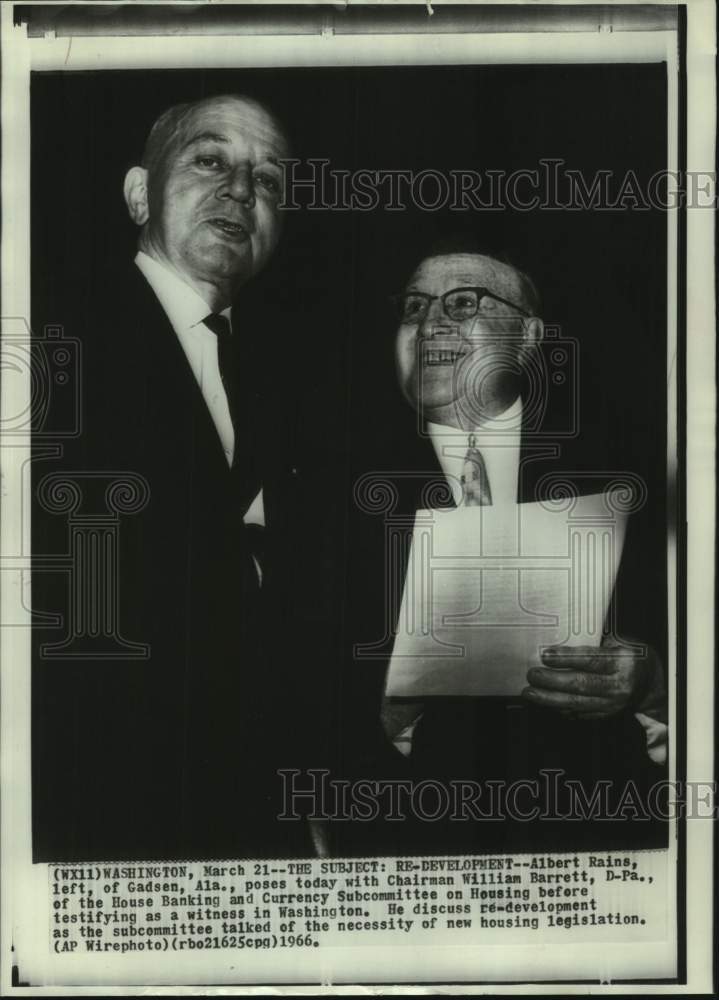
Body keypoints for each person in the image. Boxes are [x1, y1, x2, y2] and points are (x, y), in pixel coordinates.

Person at [32, 94, 311, 860]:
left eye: (270, 180)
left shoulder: (283, 386)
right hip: (89, 817)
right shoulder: (52, 342)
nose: (242, 191)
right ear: (136, 193)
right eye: (209, 160)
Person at [325, 247, 668, 856]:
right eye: (413, 308)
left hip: (599, 836)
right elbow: (284, 689)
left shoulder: (634, 472)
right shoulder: (330, 488)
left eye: (463, 303)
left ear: (530, 336)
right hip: (407, 849)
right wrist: (379, 712)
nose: (431, 324)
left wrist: (651, 684)